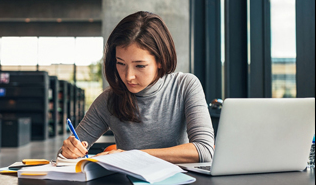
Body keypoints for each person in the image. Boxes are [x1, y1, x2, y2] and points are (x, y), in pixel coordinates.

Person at [59, 11, 214, 164]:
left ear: (161, 60)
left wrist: (132, 155)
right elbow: (63, 157)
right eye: (121, 63)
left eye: (140, 65)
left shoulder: (185, 86)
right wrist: (68, 151)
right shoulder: (108, 100)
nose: (128, 76)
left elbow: (204, 150)